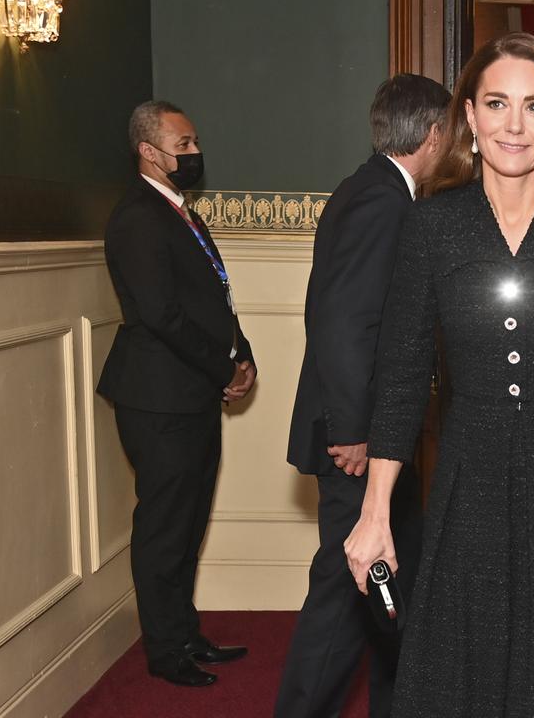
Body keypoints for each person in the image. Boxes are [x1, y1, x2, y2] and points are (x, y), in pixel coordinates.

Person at [343, 32, 534, 716]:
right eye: (497, 104)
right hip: (466, 477)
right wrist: (375, 515)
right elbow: (399, 378)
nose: (515, 124)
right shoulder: (432, 228)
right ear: (471, 120)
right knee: (462, 671)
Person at [276, 73, 451, 718]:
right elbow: (346, 323)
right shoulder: (383, 201)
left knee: (388, 584)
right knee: (347, 594)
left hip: (379, 434)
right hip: (359, 439)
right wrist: (353, 430)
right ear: (433, 135)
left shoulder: (367, 189)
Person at [97, 100, 256, 687]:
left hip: (191, 393)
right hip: (158, 398)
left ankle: (185, 635)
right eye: (182, 146)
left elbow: (213, 296)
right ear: (148, 151)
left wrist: (243, 355)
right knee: (165, 526)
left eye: (194, 144)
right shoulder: (138, 217)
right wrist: (223, 368)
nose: (194, 155)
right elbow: (162, 316)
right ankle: (166, 652)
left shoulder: (179, 212)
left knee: (189, 522)